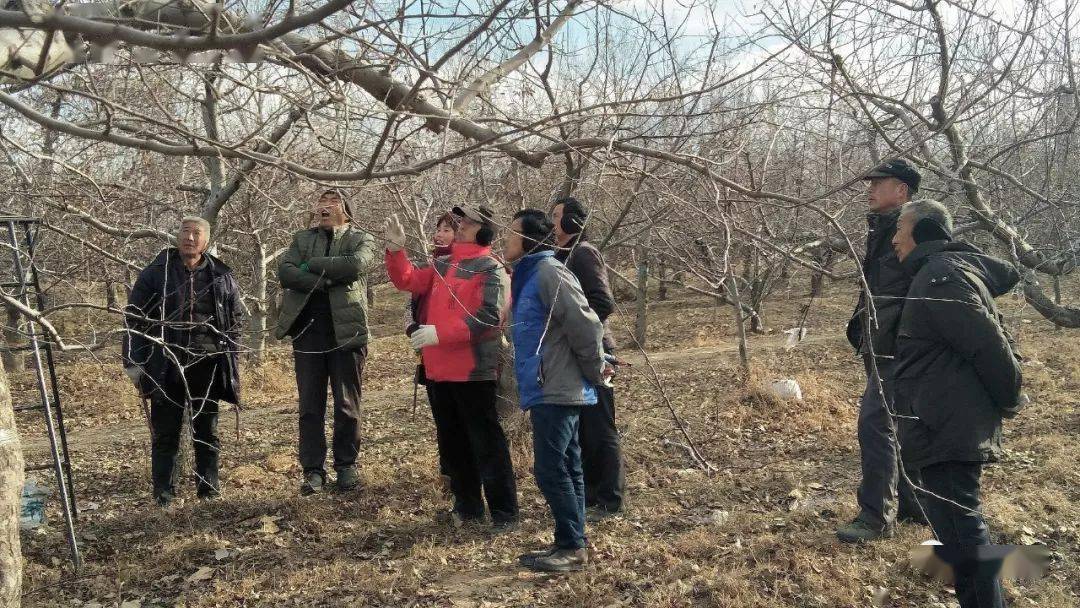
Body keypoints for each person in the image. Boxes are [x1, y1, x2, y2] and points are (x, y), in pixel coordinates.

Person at [891, 199, 1023, 608]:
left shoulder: (940, 277)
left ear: (925, 233)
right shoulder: (937, 275)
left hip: (946, 424)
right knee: (959, 531)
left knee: (964, 534)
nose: (895, 238)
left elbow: (988, 346)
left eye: (901, 228)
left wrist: (1011, 397)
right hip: (942, 419)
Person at [383, 205, 519, 531]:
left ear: (484, 230)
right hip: (437, 370)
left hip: (473, 371)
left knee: (486, 443)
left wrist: (440, 333)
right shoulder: (443, 263)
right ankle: (468, 507)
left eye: (468, 222)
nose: (460, 226)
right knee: (453, 442)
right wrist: (396, 250)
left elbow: (490, 318)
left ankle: (504, 512)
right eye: (460, 221)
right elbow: (408, 281)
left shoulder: (492, 268)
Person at [506, 209, 610, 573]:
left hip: (558, 386)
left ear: (530, 239)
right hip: (545, 384)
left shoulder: (550, 272)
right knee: (568, 465)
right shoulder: (528, 274)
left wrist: (595, 368)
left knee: (551, 468)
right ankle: (572, 541)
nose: (506, 239)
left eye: (512, 232)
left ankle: (572, 546)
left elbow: (586, 323)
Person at [123, 216, 243, 507]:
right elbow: (133, 319)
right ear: (177, 237)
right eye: (185, 232)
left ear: (207, 241)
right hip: (165, 364)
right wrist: (135, 364)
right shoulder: (156, 274)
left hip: (208, 363)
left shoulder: (220, 275)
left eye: (196, 233)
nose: (189, 238)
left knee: (208, 430)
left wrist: (231, 358)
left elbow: (235, 318)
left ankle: (209, 492)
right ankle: (164, 497)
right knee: (166, 433)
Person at [838, 158, 927, 543]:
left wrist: (905, 339)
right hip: (880, 341)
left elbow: (918, 289)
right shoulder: (883, 227)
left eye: (879, 183)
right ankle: (913, 505)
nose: (870, 189)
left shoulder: (912, 230)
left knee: (876, 424)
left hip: (899, 346)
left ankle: (875, 518)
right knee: (898, 424)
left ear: (901, 190)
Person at [275, 190, 376, 495]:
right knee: (310, 405)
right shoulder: (302, 238)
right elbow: (286, 271)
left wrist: (312, 265)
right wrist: (326, 279)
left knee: (347, 404)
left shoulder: (361, 238)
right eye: (321, 202)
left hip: (347, 333)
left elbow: (356, 265)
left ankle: (346, 466)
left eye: (332, 202)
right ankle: (313, 471)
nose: (324, 207)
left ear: (345, 210)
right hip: (308, 331)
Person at [549, 197, 625, 518]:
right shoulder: (560, 257)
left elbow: (602, 302)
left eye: (557, 217)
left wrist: (577, 328)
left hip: (597, 351)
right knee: (582, 430)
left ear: (572, 222)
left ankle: (611, 499)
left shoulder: (584, 254)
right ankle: (591, 494)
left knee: (600, 427)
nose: (552, 224)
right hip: (575, 354)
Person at [405, 212, 457, 490]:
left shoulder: (472, 267)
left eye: (447, 229)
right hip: (428, 352)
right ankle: (447, 474)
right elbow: (410, 304)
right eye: (438, 229)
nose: (439, 234)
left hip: (457, 354)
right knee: (442, 418)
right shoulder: (430, 267)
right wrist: (413, 329)